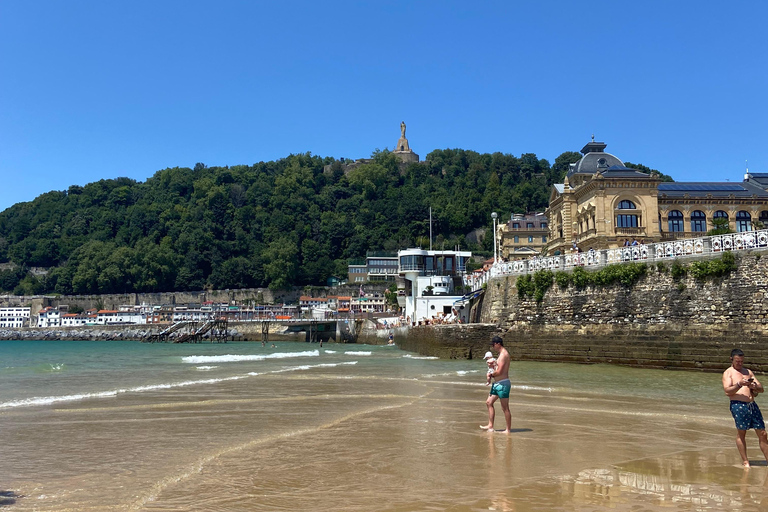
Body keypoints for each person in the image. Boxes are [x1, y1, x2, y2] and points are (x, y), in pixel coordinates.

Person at [722, 348, 768, 467]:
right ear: (731, 359)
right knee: (742, 433)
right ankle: (745, 461)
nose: (740, 363)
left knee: (763, 433)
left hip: (752, 405)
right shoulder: (728, 373)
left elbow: (761, 389)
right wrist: (739, 384)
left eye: (741, 361)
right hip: (738, 405)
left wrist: (754, 386)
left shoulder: (748, 371)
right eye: (737, 361)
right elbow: (727, 391)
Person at [480, 336, 512, 433]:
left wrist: (490, 374)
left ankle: (508, 429)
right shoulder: (500, 354)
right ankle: (490, 426)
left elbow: (500, 372)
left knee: (505, 407)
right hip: (497, 383)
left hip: (503, 384)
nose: (493, 347)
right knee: (489, 402)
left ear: (498, 344)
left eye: (493, 345)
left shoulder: (503, 355)